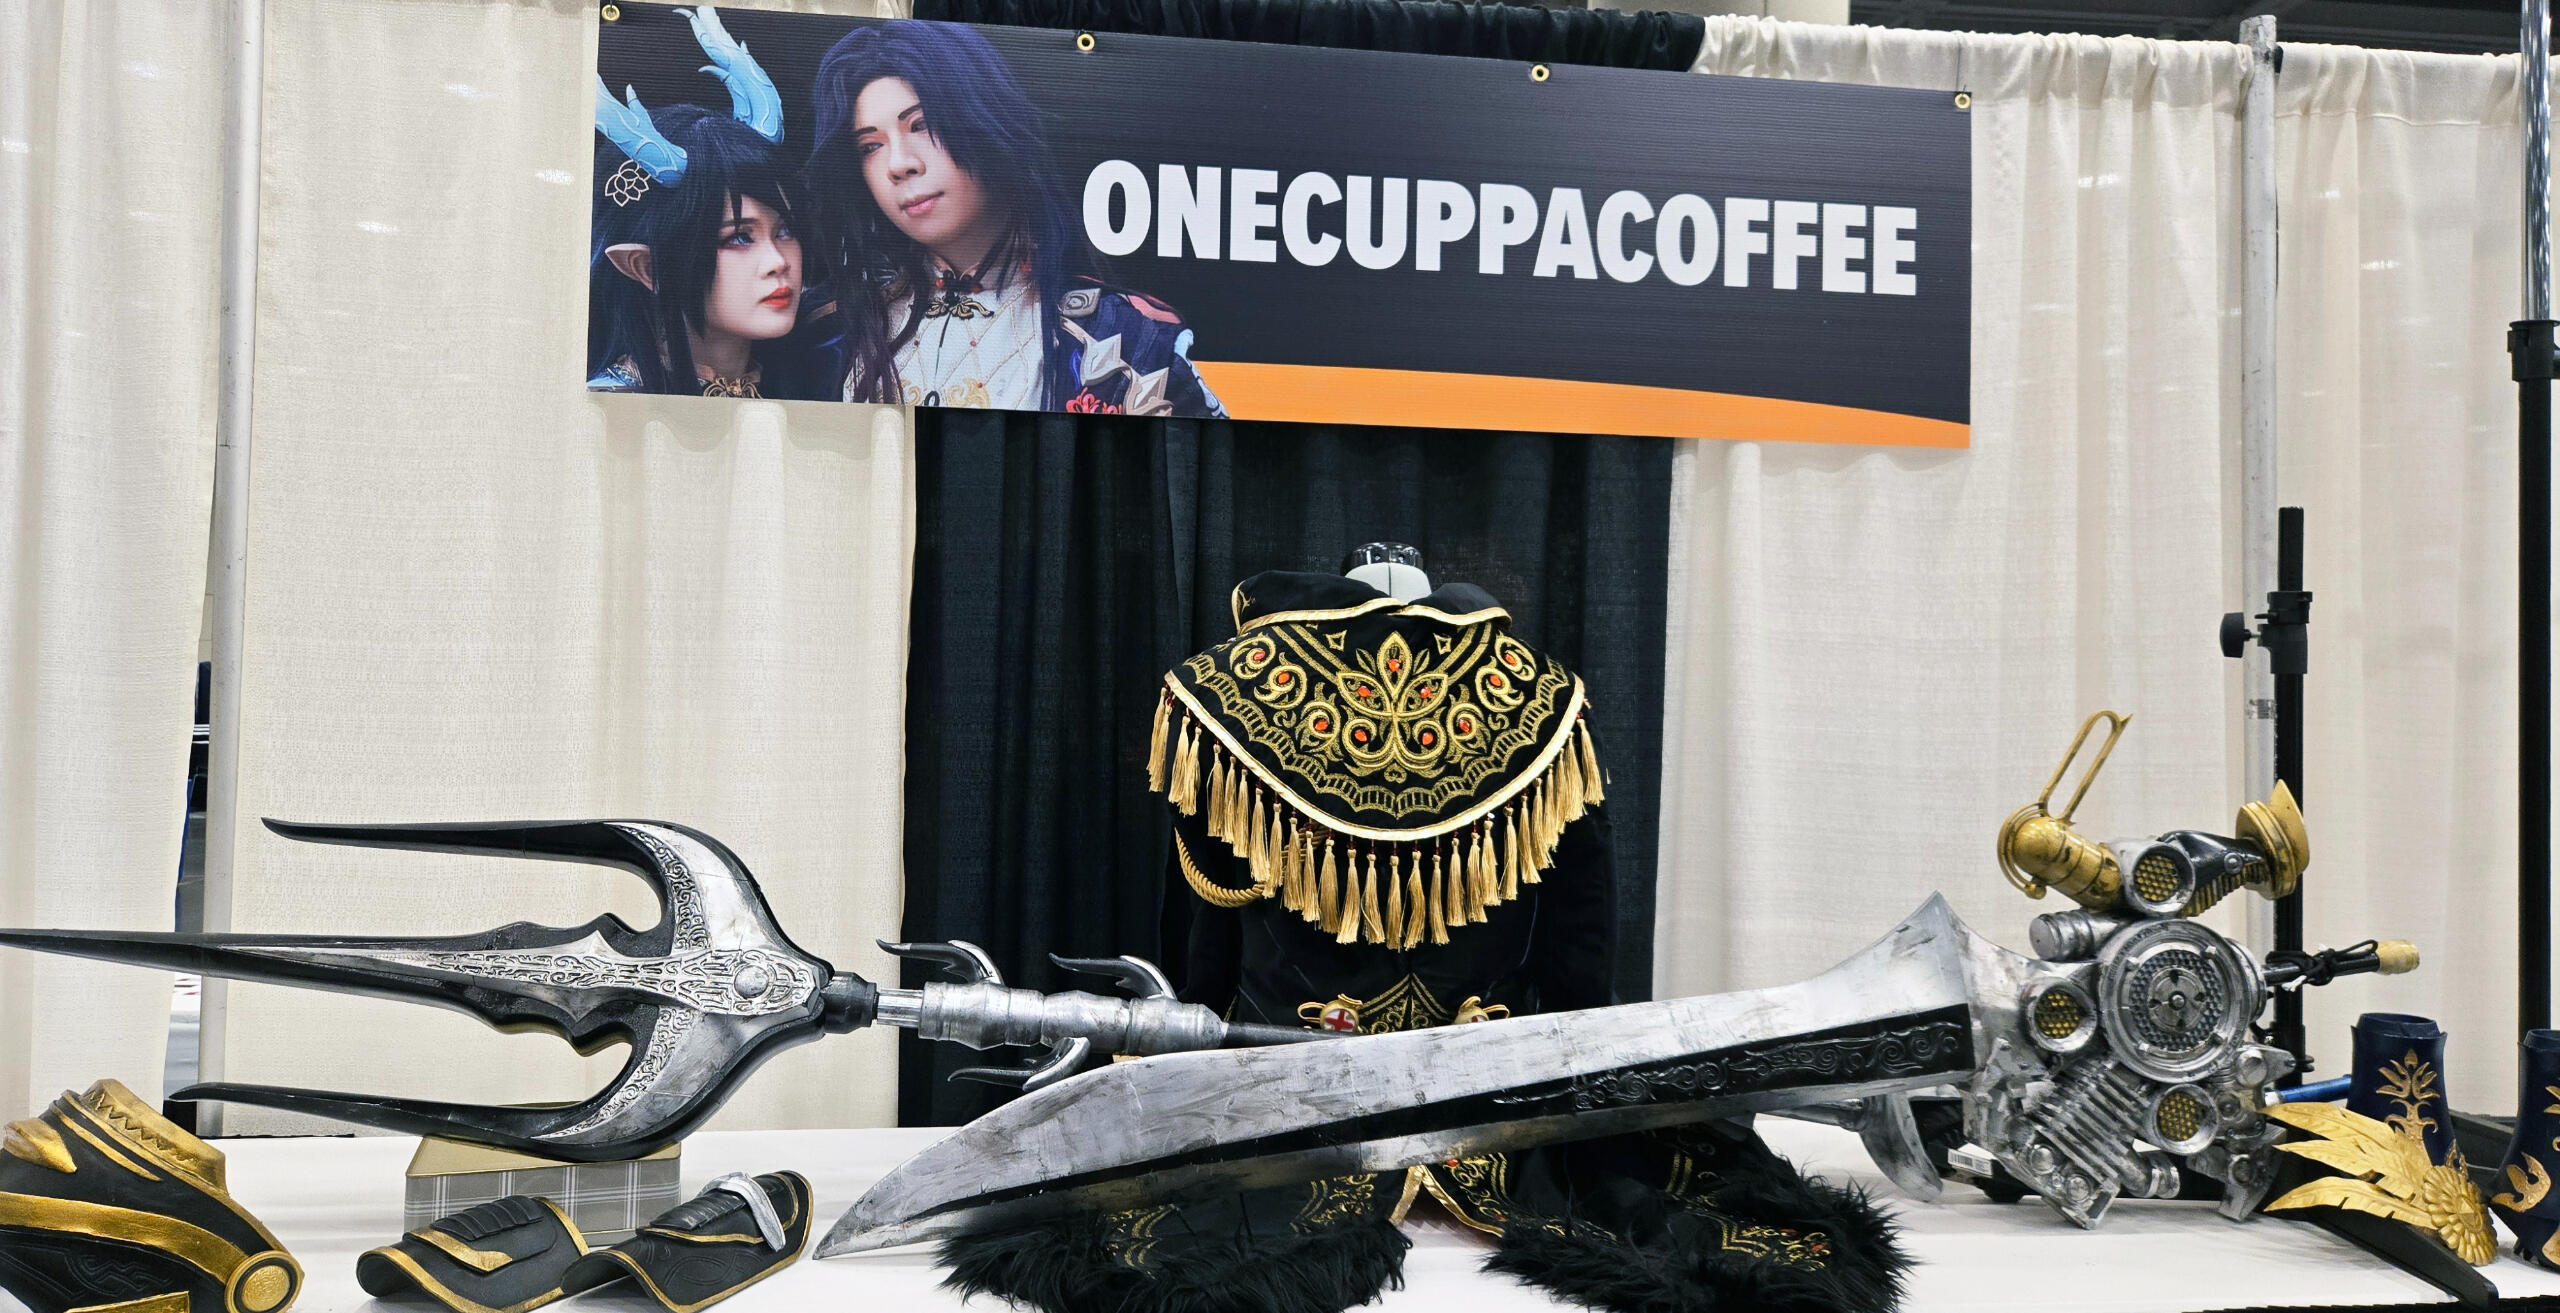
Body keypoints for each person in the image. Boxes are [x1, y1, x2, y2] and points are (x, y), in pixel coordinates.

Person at [806, 20, 1225, 417]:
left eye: (922, 124)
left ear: (985, 119)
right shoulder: (828, 333)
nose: (899, 164)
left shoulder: (1127, 336)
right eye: (870, 146)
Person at [589, 7, 835, 400]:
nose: (778, 262)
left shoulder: (825, 384)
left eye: (785, 230)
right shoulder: (606, 408)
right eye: (739, 237)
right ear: (648, 267)